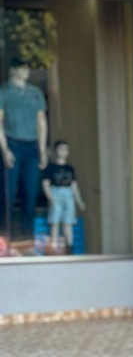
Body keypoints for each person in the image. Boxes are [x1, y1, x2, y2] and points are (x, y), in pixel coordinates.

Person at [0, 57, 48, 240]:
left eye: (27, 67)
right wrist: (5, 149)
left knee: (30, 194)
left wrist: (42, 150)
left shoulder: (35, 92)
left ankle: (28, 239)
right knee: (8, 195)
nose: (27, 71)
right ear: (13, 70)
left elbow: (41, 121)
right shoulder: (3, 91)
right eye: (23, 67)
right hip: (12, 143)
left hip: (31, 146)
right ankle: (5, 240)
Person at [42, 141, 85, 254]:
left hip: (68, 195)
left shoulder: (70, 168)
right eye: (61, 149)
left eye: (66, 149)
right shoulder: (50, 167)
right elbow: (45, 184)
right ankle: (54, 248)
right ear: (56, 150)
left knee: (68, 223)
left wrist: (79, 200)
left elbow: (74, 185)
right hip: (56, 192)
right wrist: (51, 198)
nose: (64, 151)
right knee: (55, 222)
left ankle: (70, 248)